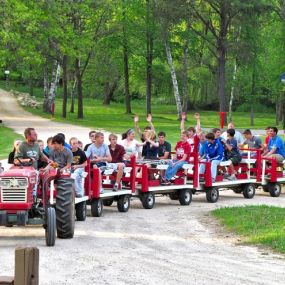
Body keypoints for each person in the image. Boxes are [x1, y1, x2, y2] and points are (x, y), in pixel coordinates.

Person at [14, 128, 50, 199]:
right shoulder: (22, 146)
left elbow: (41, 155)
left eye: (36, 134)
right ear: (28, 135)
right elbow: (16, 161)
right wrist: (28, 160)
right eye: (34, 134)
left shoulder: (36, 145)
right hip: (24, 173)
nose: (36, 135)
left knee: (42, 181)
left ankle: (38, 199)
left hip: (34, 171)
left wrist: (48, 160)